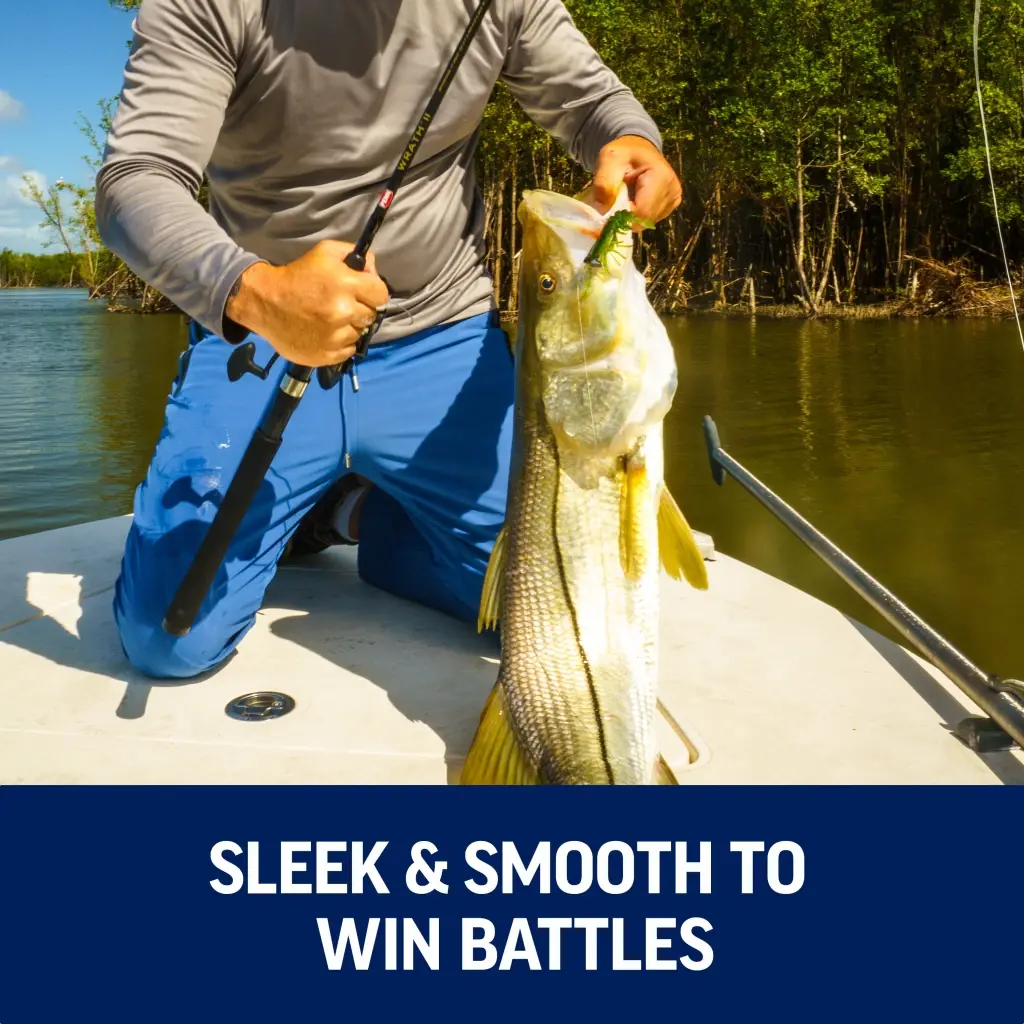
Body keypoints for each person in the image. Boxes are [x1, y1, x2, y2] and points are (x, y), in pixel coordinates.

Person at [96, 0, 683, 680]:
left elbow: (591, 104)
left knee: (548, 607)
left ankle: (356, 515)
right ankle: (314, 500)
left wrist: (629, 139)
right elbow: (135, 179)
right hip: (262, 340)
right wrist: (258, 294)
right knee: (167, 639)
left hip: (443, 335)